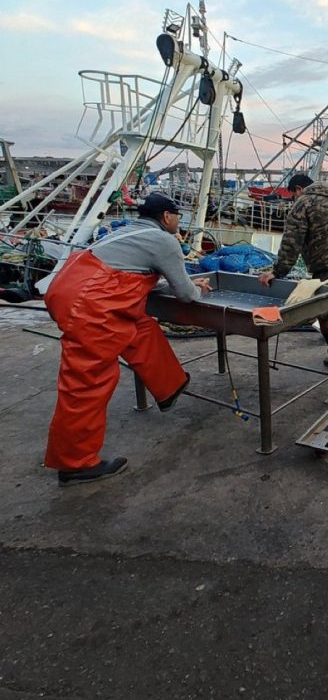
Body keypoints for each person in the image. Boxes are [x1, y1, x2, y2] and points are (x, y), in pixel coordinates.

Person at [43, 193, 212, 487]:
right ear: (166, 217)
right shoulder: (166, 240)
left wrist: (181, 283)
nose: (179, 222)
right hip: (91, 304)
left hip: (73, 289)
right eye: (178, 216)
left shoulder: (129, 231)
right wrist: (198, 290)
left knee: (140, 327)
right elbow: (185, 295)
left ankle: (169, 386)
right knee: (88, 382)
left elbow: (131, 271)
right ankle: (75, 463)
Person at [258, 174, 328, 371]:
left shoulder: (303, 203)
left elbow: (291, 242)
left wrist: (277, 272)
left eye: (292, 195)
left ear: (298, 189)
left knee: (324, 315)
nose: (293, 200)